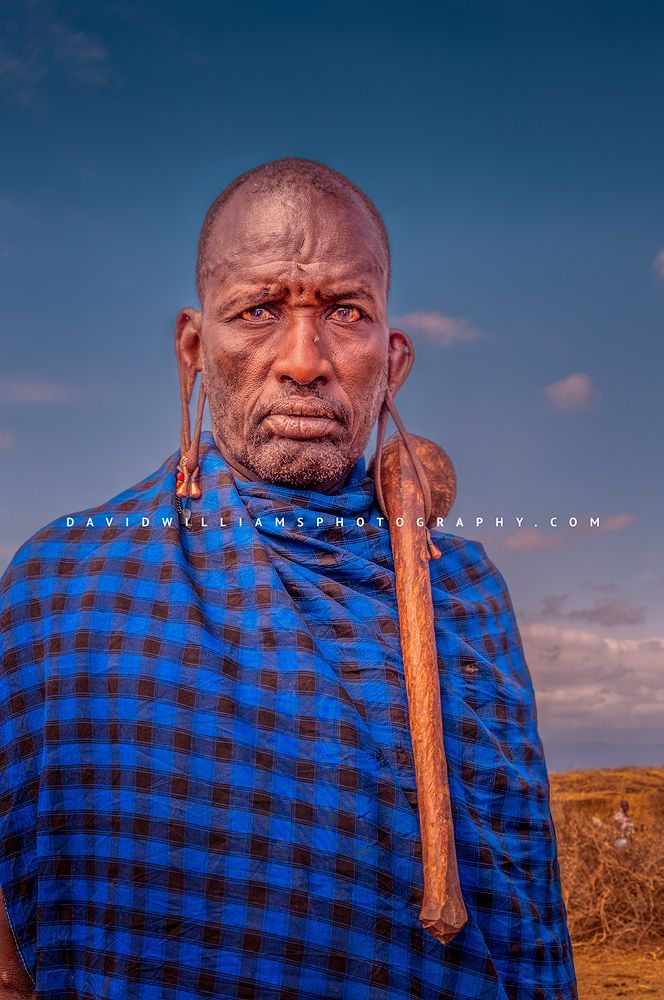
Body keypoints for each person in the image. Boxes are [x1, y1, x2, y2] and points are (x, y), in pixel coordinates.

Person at [0, 158, 577, 998]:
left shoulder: (465, 588)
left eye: (345, 312)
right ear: (196, 347)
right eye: (259, 311)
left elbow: (522, 891)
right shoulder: (63, 584)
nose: (303, 360)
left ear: (394, 359)